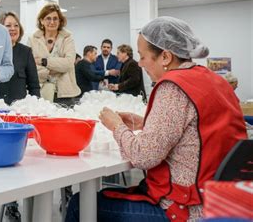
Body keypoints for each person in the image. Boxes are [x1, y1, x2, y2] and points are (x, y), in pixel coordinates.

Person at [66, 16, 247, 222]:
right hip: (220, 202)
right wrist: (146, 123)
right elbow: (199, 126)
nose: (140, 63)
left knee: (80, 204)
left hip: (184, 210)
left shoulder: (172, 87)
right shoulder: (214, 80)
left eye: (143, 57)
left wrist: (116, 126)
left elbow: (144, 156)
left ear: (166, 57)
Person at [28, 3, 80, 107]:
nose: (52, 22)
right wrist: (56, 69)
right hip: (41, 91)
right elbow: (30, 67)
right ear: (42, 21)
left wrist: (44, 62)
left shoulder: (67, 38)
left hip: (65, 94)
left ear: (60, 21)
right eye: (48, 18)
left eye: (55, 18)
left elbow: (69, 64)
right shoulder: (32, 39)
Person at [0, 11, 40, 104]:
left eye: (16, 25)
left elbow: (34, 85)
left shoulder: (26, 52)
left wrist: (35, 106)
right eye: (8, 26)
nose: (13, 29)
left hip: (19, 108)